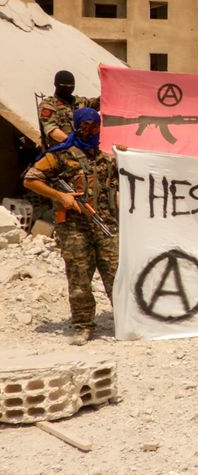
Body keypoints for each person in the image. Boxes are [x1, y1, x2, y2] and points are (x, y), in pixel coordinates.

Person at [23, 108, 121, 346]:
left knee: (117, 276)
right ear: (77, 127)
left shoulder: (106, 156)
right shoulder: (60, 155)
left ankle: (124, 320)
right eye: (85, 126)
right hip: (75, 228)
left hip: (105, 224)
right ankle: (83, 325)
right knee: (79, 278)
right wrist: (60, 196)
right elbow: (30, 178)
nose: (90, 131)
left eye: (95, 126)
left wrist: (127, 156)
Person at [37, 70, 100, 148]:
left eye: (71, 86)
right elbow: (52, 130)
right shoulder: (48, 105)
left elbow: (100, 103)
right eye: (64, 86)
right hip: (61, 149)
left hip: (84, 147)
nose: (68, 89)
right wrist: (72, 143)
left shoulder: (79, 102)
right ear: (56, 85)